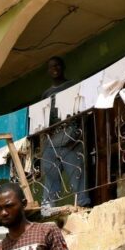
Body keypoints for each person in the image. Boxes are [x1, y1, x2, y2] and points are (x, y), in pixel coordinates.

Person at [38, 55, 90, 208]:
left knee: (76, 171)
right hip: (51, 138)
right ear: (48, 71)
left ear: (63, 67)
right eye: (52, 67)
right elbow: (43, 117)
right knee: (50, 175)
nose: (55, 69)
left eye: (58, 65)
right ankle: (47, 208)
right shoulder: (46, 94)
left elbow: (82, 107)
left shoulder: (72, 85)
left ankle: (83, 203)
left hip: (70, 132)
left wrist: (80, 132)